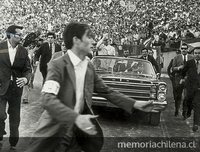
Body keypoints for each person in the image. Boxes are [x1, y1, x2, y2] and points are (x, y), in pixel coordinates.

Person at [26, 22, 165, 152]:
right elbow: (47, 99)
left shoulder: (88, 66)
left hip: (77, 133)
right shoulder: (57, 65)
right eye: (89, 37)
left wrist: (135, 103)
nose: (93, 41)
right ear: (76, 40)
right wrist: (75, 117)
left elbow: (106, 90)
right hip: (54, 133)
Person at [0, 25, 32, 151]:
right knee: (0, 115)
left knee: (15, 118)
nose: (21, 37)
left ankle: (13, 143)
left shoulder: (23, 51)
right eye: (19, 34)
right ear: (11, 35)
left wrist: (26, 79)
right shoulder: (0, 47)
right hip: (1, 88)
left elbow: (28, 69)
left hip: (16, 89)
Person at [181, 47, 200, 132]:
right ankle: (188, 112)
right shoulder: (189, 63)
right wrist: (183, 78)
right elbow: (183, 72)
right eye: (195, 53)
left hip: (198, 89)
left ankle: (196, 124)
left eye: (199, 53)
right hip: (190, 87)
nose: (197, 55)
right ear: (193, 54)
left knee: (197, 105)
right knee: (187, 101)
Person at [172, 43, 193, 117]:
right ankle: (177, 109)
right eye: (182, 49)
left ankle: (185, 111)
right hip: (179, 79)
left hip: (188, 79)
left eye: (185, 48)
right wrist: (178, 68)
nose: (183, 50)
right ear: (180, 49)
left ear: (188, 49)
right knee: (178, 96)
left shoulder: (191, 58)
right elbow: (173, 68)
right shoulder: (176, 58)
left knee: (187, 96)